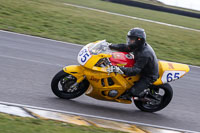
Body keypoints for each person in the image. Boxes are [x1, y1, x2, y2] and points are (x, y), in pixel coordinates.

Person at [108, 27, 159, 100]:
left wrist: (118, 68)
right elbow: (125, 47)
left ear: (139, 40)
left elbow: (135, 71)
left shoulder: (144, 54)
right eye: (129, 39)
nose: (129, 41)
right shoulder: (137, 46)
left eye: (132, 39)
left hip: (148, 75)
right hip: (140, 66)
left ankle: (140, 96)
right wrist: (110, 45)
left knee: (131, 92)